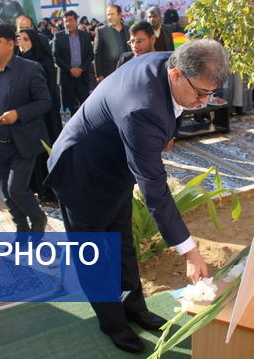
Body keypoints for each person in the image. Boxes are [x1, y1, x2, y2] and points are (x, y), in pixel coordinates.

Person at [45, 39, 227, 353]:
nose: (204, 101)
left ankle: (134, 307)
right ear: (177, 75)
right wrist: (189, 252)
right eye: (201, 92)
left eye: (211, 93)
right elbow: (155, 188)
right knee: (95, 254)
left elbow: (178, 106)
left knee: (122, 241)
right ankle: (113, 323)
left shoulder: (172, 63)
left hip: (115, 167)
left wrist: (169, 133)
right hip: (82, 173)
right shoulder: (142, 108)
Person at [0, 24, 51, 234]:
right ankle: (21, 230)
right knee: (7, 192)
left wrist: (18, 114)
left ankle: (38, 218)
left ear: (10, 44)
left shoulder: (30, 68)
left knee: (16, 188)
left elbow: (45, 102)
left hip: (23, 141)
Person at [17, 28, 61, 202]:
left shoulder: (43, 63)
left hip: (46, 117)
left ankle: (51, 190)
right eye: (20, 39)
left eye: (26, 39)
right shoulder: (20, 61)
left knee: (46, 150)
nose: (21, 43)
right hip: (29, 116)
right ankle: (38, 188)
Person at [52, 10, 94, 114]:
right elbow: (55, 57)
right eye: (65, 21)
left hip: (82, 76)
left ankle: (88, 128)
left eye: (70, 20)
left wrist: (81, 68)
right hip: (66, 78)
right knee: (66, 108)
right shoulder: (58, 36)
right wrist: (70, 69)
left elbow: (90, 55)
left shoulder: (85, 36)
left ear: (76, 21)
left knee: (86, 106)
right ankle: (66, 127)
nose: (68, 23)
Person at [93, 5, 130, 82]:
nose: (110, 17)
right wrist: (99, 74)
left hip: (126, 72)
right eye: (108, 15)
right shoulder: (101, 31)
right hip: (108, 74)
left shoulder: (128, 29)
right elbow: (97, 53)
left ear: (120, 15)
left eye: (112, 14)